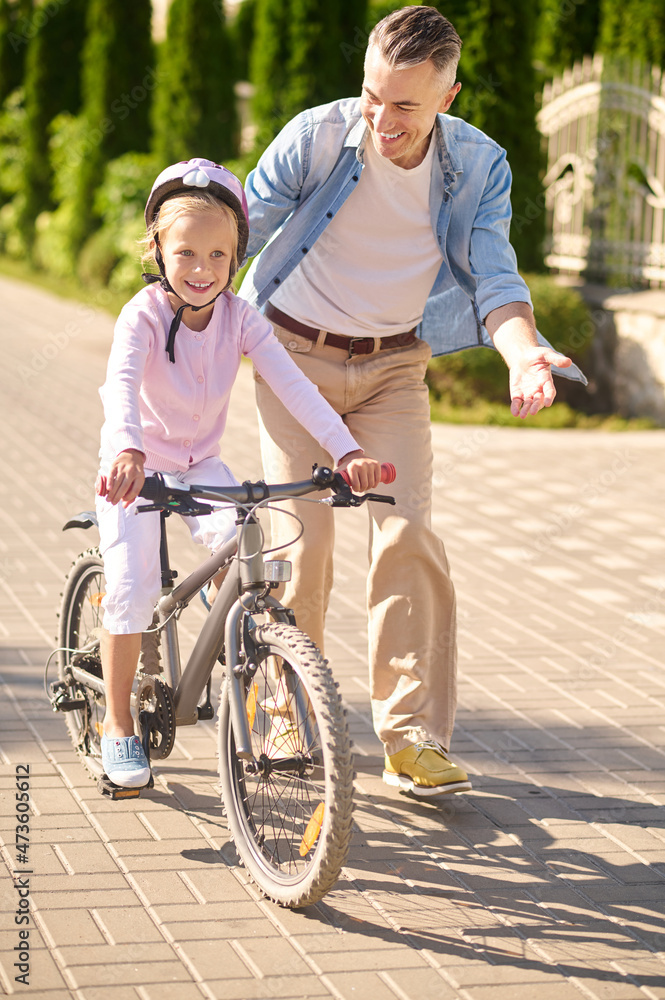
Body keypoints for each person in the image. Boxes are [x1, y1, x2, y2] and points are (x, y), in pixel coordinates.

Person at [239, 6, 585, 798]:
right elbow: (241, 226)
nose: (381, 119)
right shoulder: (319, 137)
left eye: (405, 106)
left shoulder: (476, 165)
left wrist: (523, 352)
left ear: (447, 98)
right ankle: (284, 711)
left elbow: (493, 274)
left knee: (407, 539)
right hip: (291, 357)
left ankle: (411, 737)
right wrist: (173, 314)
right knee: (304, 542)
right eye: (371, 96)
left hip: (393, 367)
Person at [95, 157, 382, 788]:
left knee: (257, 563)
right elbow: (119, 387)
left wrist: (346, 451)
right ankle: (119, 725)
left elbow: (297, 387)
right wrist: (127, 450)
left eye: (219, 256)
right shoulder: (141, 315)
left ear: (237, 258)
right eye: (187, 254)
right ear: (158, 250)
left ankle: (267, 704)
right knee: (133, 589)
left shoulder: (242, 318)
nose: (202, 271)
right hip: (137, 469)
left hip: (202, 468)